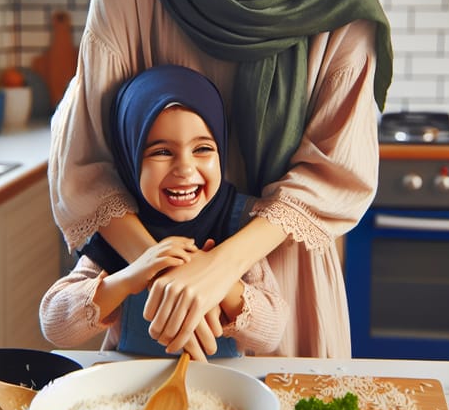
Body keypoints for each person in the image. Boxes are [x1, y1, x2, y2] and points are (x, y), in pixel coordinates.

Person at [49, 0, 393, 358]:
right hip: (153, 304)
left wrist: (218, 277)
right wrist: (165, 275)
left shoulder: (341, 2)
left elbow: (335, 175)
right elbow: (84, 160)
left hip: (275, 293)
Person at [40, 65, 288, 359]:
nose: (185, 168)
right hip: (129, 390)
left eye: (203, 149)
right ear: (130, 159)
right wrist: (132, 276)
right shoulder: (118, 229)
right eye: (161, 152)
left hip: (225, 388)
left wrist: (215, 278)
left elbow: (272, 332)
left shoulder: (236, 221)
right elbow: (55, 325)